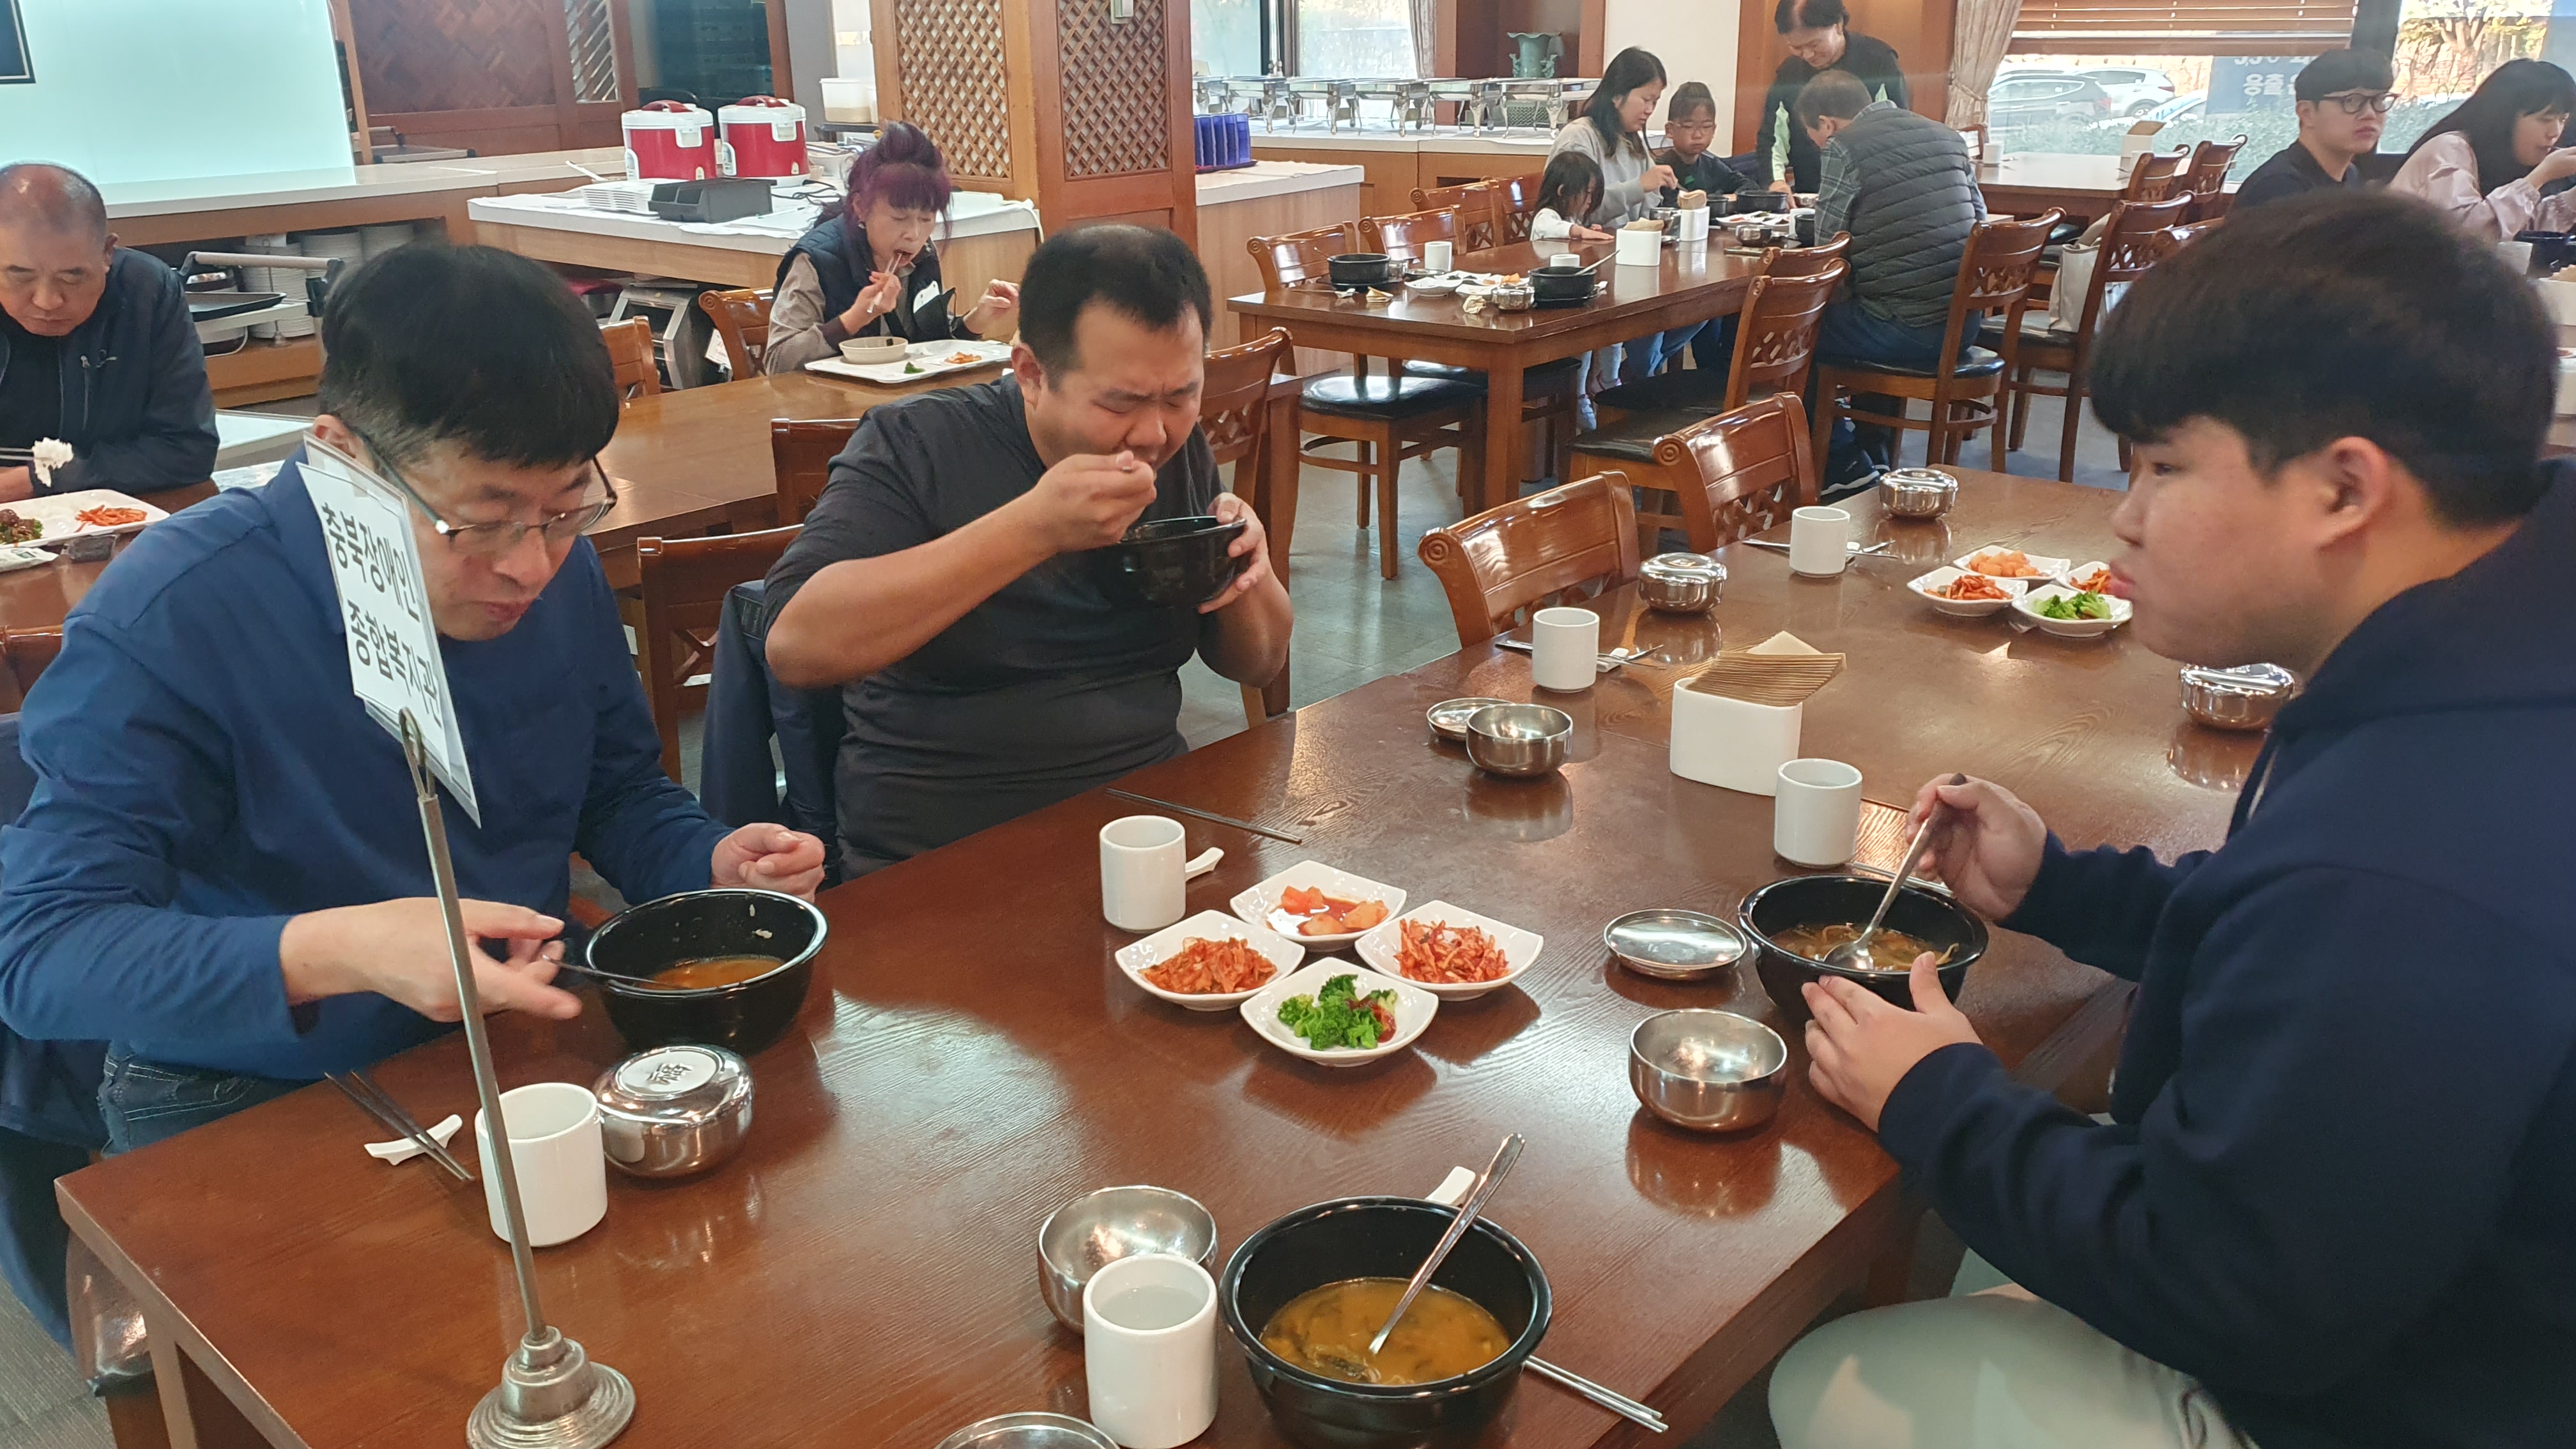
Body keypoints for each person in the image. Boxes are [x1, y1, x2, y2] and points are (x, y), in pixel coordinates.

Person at [1771, 193, 2576, 1449]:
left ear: (2343, 488)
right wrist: (2061, 885)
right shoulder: (2486, 657)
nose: (2125, 513)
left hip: (2395, 1393)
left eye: (2162, 465)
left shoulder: (2417, 860)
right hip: (2406, 1284)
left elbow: (2242, 1291)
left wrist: (1937, 1094)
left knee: (1829, 1380)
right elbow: (2291, 947)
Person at [0, 243, 827, 1162]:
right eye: (482, 522)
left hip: (516, 1029)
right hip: (250, 1081)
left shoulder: (556, 567)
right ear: (340, 454)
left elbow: (616, 791)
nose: (529, 565)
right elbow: (39, 948)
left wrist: (708, 860)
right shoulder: (172, 612)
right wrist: (341, 952)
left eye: (565, 509)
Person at [760, 226, 1291, 879]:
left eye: (1182, 395)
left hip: (1144, 833)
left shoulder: (1171, 449)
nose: (1155, 432)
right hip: (939, 861)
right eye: (1121, 402)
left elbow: (1260, 662)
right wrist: (1033, 528)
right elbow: (795, 645)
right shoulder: (919, 442)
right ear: (1032, 374)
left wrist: (1247, 565)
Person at [1800, 70, 1984, 490]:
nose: (1821, 148)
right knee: (1873, 302)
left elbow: (1829, 249)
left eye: (1816, 141)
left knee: (1793, 331)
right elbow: (1980, 223)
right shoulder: (1948, 137)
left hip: (1906, 329)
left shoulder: (1845, 146)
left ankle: (1842, 463)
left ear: (1827, 124)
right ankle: (1873, 453)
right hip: (1963, 325)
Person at [0, 162, 215, 500]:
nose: (48, 301)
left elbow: (188, 449)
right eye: (20, 275)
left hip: (109, 512)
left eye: (72, 276)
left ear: (106, 252)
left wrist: (41, 479)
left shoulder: (146, 291)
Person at [763, 123, 1021, 374]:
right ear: (861, 207)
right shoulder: (817, 259)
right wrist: (856, 318)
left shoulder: (922, 256)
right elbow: (778, 361)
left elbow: (933, 345)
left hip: (907, 398)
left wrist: (980, 317)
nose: (914, 234)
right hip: (830, 400)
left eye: (926, 219)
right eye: (899, 218)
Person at [1550, 49, 1690, 385]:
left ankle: (1631, 379)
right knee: (1654, 308)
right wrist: (1639, 186)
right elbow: (1575, 210)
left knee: (1698, 309)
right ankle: (1628, 385)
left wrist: (1663, 201)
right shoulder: (1579, 137)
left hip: (1626, 262)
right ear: (1617, 96)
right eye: (1646, 99)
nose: (1650, 110)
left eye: (1655, 102)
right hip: (1585, 265)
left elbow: (1645, 210)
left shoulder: (1633, 142)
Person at [2389, 57, 2576, 240]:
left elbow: (2516, 230)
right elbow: (2467, 235)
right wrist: (2539, 177)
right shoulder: (2450, 150)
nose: (2555, 132)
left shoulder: (2502, 159)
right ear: (2504, 117)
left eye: (2563, 120)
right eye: (2545, 119)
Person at [1756, 0, 1909, 195]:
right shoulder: (1789, 73)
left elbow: (1895, 132)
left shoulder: (1878, 62)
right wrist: (1776, 183)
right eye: (1796, 47)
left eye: (1814, 44)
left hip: (1869, 191)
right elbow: (1772, 138)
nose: (1808, 55)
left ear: (1838, 25)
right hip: (1811, 189)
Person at [2231, 49, 2394, 211]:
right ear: (2307, 113)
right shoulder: (2279, 187)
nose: (2370, 114)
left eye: (2379, 100)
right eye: (2352, 101)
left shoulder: (2350, 175)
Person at [1655, 81, 1755, 204]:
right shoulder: (1661, 169)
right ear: (1670, 130)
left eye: (1706, 126)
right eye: (1689, 126)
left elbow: (1750, 187)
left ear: (1714, 130)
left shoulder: (1713, 166)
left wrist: (1723, 199)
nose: (1698, 135)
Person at [1530, 151, 1613, 243]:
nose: (1590, 200)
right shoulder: (1545, 215)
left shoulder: (1571, 217)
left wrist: (1590, 231)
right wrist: (1580, 232)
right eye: (1588, 192)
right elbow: (1550, 228)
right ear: (1563, 191)